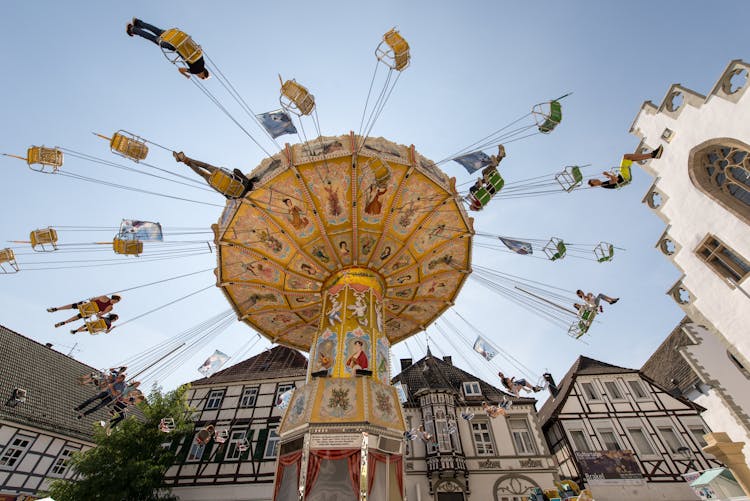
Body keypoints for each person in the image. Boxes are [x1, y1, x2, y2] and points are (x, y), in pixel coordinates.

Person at [126, 18, 209, 80]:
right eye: (201, 77)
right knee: (153, 38)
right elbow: (180, 69)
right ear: (202, 75)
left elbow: (198, 49)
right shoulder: (195, 71)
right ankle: (133, 29)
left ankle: (138, 22)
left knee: (158, 31)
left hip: (176, 37)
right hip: (172, 45)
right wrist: (186, 75)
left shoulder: (202, 60)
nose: (199, 77)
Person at [173, 151, 256, 199]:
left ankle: (184, 159)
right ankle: (185, 160)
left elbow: (236, 171)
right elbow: (227, 196)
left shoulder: (246, 183)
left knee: (206, 166)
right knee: (202, 174)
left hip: (225, 177)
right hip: (217, 184)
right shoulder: (238, 196)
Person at [588, 145, 663, 189]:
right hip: (625, 177)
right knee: (626, 156)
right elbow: (616, 180)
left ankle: (653, 155)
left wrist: (610, 175)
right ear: (595, 185)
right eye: (594, 181)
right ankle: (653, 155)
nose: (595, 180)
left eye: (593, 179)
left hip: (624, 177)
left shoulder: (604, 183)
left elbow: (615, 180)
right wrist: (608, 175)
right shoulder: (603, 185)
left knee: (630, 158)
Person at [49, 295, 122, 328]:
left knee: (73, 305)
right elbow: (100, 314)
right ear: (116, 300)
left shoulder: (104, 297)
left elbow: (92, 299)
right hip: (90, 311)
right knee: (78, 316)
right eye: (117, 301)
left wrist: (93, 300)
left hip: (87, 305)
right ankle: (64, 322)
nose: (117, 302)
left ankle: (57, 309)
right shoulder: (110, 308)